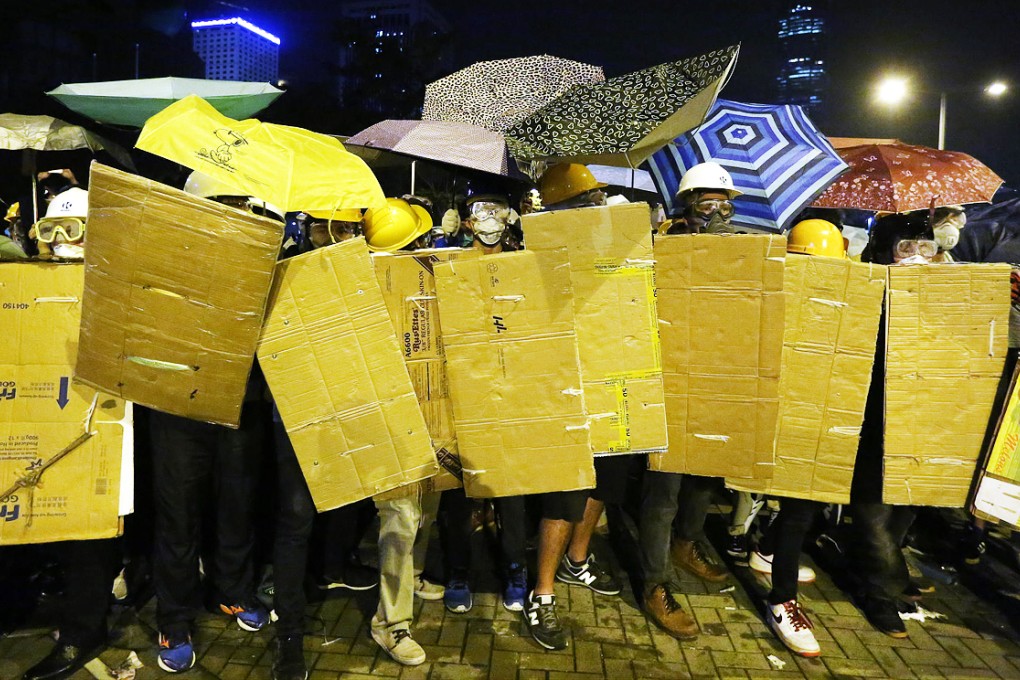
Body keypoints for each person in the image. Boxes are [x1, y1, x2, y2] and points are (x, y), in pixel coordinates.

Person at [150, 172, 278, 674]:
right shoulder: (167, 258)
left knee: (237, 504)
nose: (231, 211)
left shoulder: (261, 256)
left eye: (236, 203)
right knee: (178, 516)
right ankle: (174, 619)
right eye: (220, 203)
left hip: (239, 403)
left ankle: (232, 591)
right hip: (177, 406)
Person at [19, 188, 122, 680]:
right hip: (40, 421)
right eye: (52, 230)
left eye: (74, 230)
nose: (61, 241)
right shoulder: (27, 283)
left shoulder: (115, 287)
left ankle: (84, 626)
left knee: (90, 527)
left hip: (97, 425)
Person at [639, 162, 744, 641]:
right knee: (664, 489)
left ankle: (688, 542)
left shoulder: (742, 246)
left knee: (705, 473)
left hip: (717, 373)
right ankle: (654, 582)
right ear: (686, 203)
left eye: (723, 200)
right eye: (705, 200)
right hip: (669, 376)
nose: (716, 208)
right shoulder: (663, 241)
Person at [743, 218, 847, 658]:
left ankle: (767, 550)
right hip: (784, 411)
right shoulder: (777, 296)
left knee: (807, 504)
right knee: (801, 504)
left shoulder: (842, 300)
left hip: (822, 407)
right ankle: (782, 600)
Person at [848, 212, 939, 640]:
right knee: (871, 503)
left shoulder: (945, 293)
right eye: (906, 249)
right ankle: (879, 589)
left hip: (921, 414)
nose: (917, 258)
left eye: (926, 248)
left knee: (908, 501)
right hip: (871, 411)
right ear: (884, 252)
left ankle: (889, 568)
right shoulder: (865, 289)